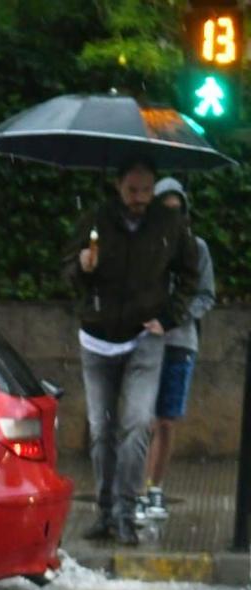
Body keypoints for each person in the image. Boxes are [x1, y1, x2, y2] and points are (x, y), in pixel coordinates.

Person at [62, 159, 202, 546]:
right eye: (132, 190)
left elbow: (191, 274)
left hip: (145, 336)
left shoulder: (170, 224)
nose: (140, 199)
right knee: (102, 428)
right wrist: (82, 266)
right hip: (97, 336)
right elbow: (67, 273)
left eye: (146, 190)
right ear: (119, 187)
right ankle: (105, 512)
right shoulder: (96, 220)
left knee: (138, 423)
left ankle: (126, 511)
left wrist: (169, 317)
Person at [145, 176, 217, 523]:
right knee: (136, 420)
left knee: (165, 421)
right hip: (142, 341)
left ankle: (153, 488)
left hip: (179, 343)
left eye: (177, 211)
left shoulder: (197, 248)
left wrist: (175, 317)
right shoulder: (143, 246)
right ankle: (133, 489)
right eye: (165, 210)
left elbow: (206, 295)